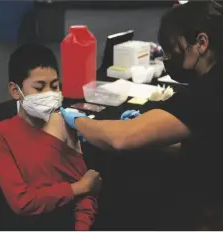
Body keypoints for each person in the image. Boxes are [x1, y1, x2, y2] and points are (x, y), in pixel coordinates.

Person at [60, 1, 223, 229]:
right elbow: (204, 138)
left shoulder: (208, 91)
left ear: (202, 43)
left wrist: (76, 120)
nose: (169, 58)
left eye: (175, 49)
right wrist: (153, 137)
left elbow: (121, 138)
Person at [0, 44, 101, 230]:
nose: (49, 94)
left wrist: (82, 227)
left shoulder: (65, 124)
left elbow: (88, 190)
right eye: (39, 88)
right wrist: (77, 188)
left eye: (55, 86)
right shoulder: (0, 135)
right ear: (15, 91)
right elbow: (22, 202)